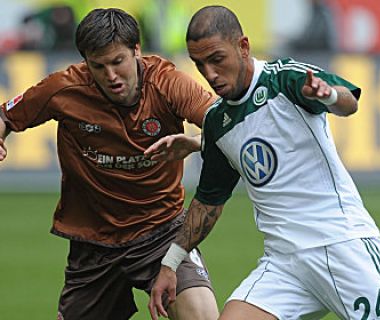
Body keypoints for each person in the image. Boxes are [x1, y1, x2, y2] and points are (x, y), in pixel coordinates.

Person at [148, 5, 380, 320]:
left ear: (243, 47)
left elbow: (349, 103)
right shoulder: (216, 123)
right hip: (284, 264)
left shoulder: (285, 79)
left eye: (217, 59)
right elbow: (208, 203)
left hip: (343, 247)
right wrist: (170, 264)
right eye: (200, 64)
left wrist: (328, 95)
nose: (209, 74)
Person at [0, 8, 219, 320]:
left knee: (203, 316)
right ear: (86, 63)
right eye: (98, 66)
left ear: (136, 51)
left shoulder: (169, 84)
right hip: (94, 244)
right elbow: (5, 115)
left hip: (161, 231)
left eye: (118, 62)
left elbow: (227, 125)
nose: (111, 75)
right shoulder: (64, 88)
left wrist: (196, 142)